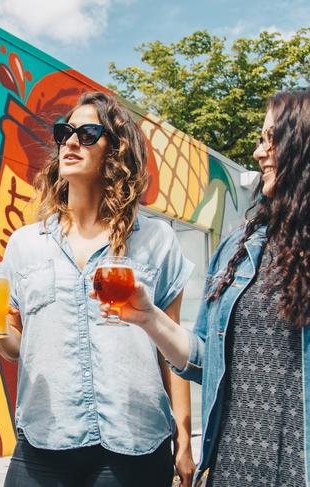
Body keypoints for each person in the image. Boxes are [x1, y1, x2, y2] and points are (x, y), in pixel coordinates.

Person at [0, 91, 196, 486]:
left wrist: (184, 440)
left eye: (88, 133)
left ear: (117, 149)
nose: (71, 142)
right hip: (44, 439)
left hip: (135, 440)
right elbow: (16, 351)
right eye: (65, 132)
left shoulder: (156, 239)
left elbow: (172, 351)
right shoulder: (25, 243)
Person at [96, 88, 309, 486]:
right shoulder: (240, 246)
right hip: (234, 469)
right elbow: (204, 361)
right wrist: (149, 318)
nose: (260, 152)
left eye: (271, 138)